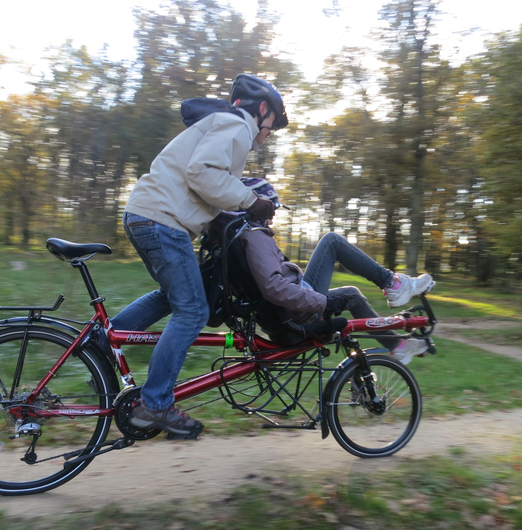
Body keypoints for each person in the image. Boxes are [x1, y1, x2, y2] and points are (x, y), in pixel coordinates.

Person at [111, 75, 288, 439]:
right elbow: (202, 173)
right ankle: (155, 404)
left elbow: (199, 185)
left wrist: (220, 221)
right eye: (272, 125)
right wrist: (252, 201)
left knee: (173, 296)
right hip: (162, 220)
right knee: (192, 311)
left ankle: (103, 340)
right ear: (263, 109)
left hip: (149, 214)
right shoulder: (238, 126)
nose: (269, 134)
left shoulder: (220, 124)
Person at [209, 178, 436, 364]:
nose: (274, 215)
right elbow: (274, 288)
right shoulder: (255, 237)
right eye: (272, 207)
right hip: (298, 315)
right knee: (332, 243)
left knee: (351, 291)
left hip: (288, 313)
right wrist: (323, 302)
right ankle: (393, 286)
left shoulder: (238, 238)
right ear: (255, 207)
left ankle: (398, 341)